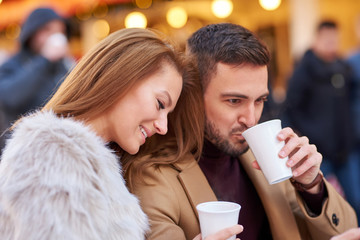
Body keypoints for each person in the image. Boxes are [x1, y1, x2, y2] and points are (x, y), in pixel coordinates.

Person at [0, 27, 243, 240]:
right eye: (160, 104)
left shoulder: (93, 164)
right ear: (121, 76)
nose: (163, 126)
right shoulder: (49, 157)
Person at [125, 23, 358, 240]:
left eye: (260, 100)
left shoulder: (262, 156)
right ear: (193, 95)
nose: (251, 119)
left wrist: (312, 187)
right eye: (235, 100)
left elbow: (347, 229)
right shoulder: (150, 177)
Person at [282, 20, 359, 212]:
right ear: (317, 39)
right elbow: (290, 108)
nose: (331, 44)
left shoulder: (343, 68)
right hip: (318, 152)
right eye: (327, 40)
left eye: (335, 40)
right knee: (323, 206)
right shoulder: (303, 71)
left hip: (345, 151)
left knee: (355, 203)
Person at [0, 7, 74, 154]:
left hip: (59, 151)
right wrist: (45, 59)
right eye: (48, 30)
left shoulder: (63, 67)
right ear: (32, 33)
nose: (55, 36)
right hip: (21, 153)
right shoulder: (13, 64)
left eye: (60, 31)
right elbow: (8, 98)